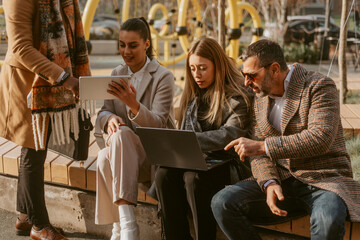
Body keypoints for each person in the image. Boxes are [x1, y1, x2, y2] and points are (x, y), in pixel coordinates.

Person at [211, 39, 360, 240]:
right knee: (222, 202)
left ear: (274, 69)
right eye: (244, 75)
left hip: (324, 180)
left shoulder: (319, 86)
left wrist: (263, 146)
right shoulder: (259, 96)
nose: (246, 82)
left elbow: (320, 138)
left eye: (252, 75)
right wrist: (269, 182)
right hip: (281, 180)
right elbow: (258, 154)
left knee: (328, 220)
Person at [0, 0, 90, 239]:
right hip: (28, 83)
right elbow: (20, 47)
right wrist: (64, 77)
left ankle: (24, 217)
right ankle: (39, 225)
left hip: (45, 83)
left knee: (33, 149)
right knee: (33, 150)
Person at [154, 37, 253, 240]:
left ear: (218, 65)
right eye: (192, 68)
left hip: (229, 163)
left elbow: (231, 134)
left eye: (202, 68)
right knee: (163, 174)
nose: (196, 74)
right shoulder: (193, 96)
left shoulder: (237, 95)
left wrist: (191, 140)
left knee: (194, 178)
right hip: (197, 159)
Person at [94, 17, 175, 240]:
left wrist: (133, 104)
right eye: (122, 45)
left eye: (132, 45)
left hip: (152, 155)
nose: (126, 51)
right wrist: (108, 118)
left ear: (147, 44)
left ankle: (127, 228)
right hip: (124, 157)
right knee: (103, 156)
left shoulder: (163, 77)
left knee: (122, 137)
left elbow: (159, 124)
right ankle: (122, 226)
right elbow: (102, 112)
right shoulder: (116, 73)